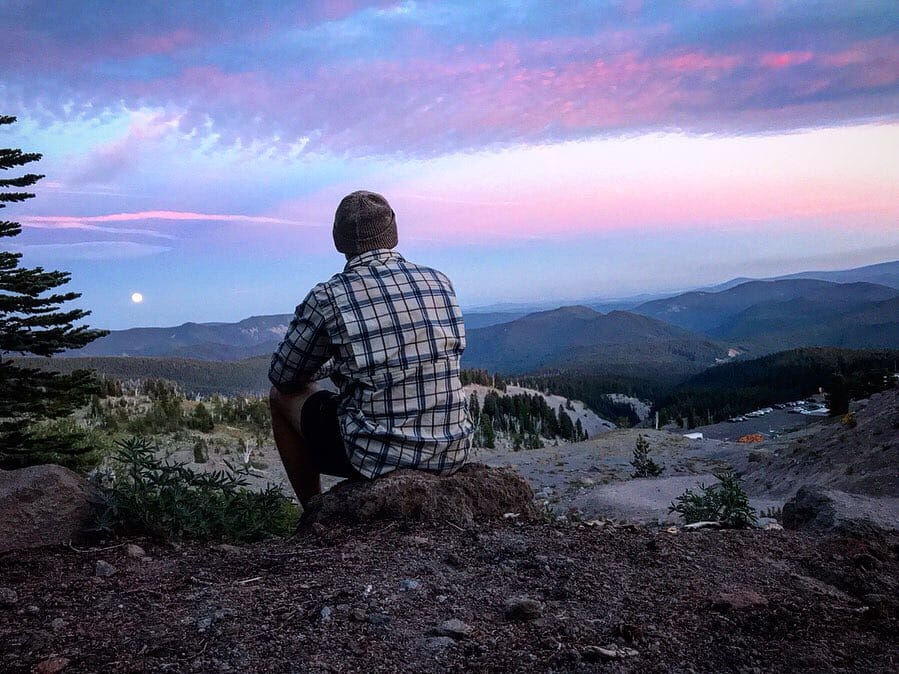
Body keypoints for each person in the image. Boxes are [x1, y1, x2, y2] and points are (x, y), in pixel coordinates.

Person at [268, 190, 473, 506]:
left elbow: (283, 375)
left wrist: (331, 365)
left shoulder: (328, 297)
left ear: (338, 241)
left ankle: (312, 508)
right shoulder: (439, 281)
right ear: (393, 231)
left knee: (280, 398)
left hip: (375, 458)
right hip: (452, 448)